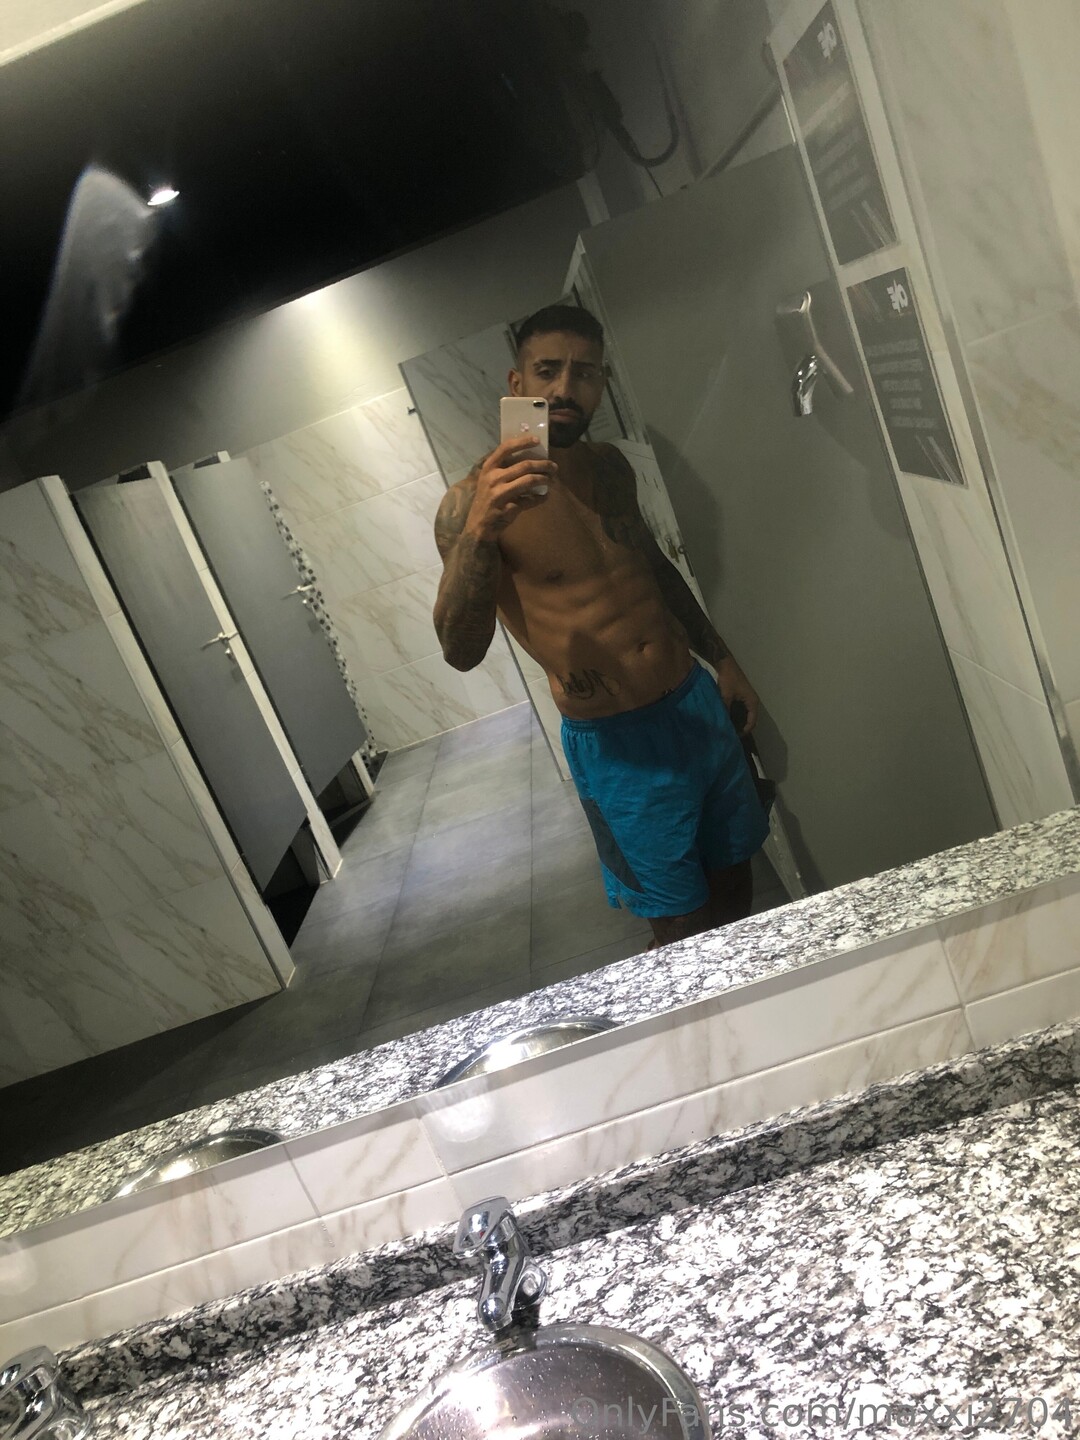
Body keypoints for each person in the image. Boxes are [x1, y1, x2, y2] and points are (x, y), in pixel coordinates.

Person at [432, 304, 768, 946]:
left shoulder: (611, 467)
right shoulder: (470, 502)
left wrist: (724, 661)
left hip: (693, 704)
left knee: (735, 879)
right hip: (618, 745)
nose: (565, 388)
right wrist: (480, 532)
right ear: (516, 383)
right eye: (547, 371)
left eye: (584, 373)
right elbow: (459, 651)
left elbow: (654, 569)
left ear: (602, 384)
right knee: (680, 924)